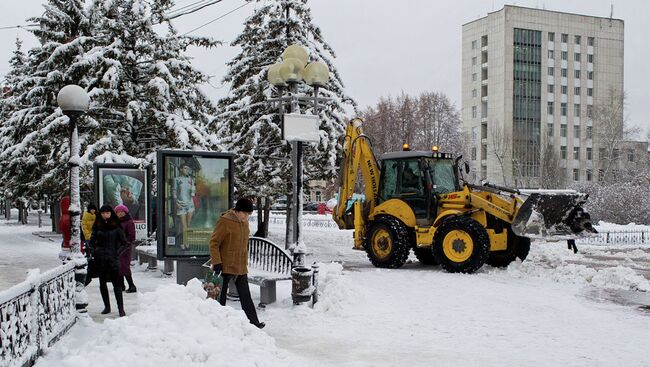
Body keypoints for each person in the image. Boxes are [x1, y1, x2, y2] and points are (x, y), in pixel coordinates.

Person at [209, 198, 265, 329]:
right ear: (237, 211)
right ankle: (218, 322)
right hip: (225, 265)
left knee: (246, 296)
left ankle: (254, 322)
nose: (246, 217)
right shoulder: (225, 221)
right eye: (245, 213)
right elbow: (214, 243)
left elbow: (244, 242)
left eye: (249, 214)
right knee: (220, 297)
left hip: (240, 266)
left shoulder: (244, 222)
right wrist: (217, 262)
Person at [89, 205, 128, 317]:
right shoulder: (97, 226)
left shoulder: (116, 226)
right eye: (103, 213)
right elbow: (91, 242)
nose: (105, 215)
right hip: (100, 259)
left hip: (113, 259)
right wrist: (94, 251)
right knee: (102, 284)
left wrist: (116, 253)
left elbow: (124, 243)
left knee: (117, 284)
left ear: (111, 213)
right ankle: (107, 306)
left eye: (107, 213)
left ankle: (121, 308)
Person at [115, 204, 137, 293]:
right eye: (118, 212)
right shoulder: (115, 222)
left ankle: (131, 285)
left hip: (125, 247)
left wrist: (126, 243)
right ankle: (121, 285)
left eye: (122, 212)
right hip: (117, 247)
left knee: (124, 266)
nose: (120, 214)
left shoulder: (129, 222)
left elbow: (131, 235)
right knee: (118, 266)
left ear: (125, 212)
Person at [173, 163, 196, 250]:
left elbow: (193, 192)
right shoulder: (177, 179)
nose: (187, 170)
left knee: (188, 225)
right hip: (181, 204)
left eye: (188, 169)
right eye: (185, 168)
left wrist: (193, 189)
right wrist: (176, 203)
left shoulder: (191, 179)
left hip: (190, 204)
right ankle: (183, 242)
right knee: (184, 225)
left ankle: (186, 242)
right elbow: (174, 191)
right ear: (181, 169)